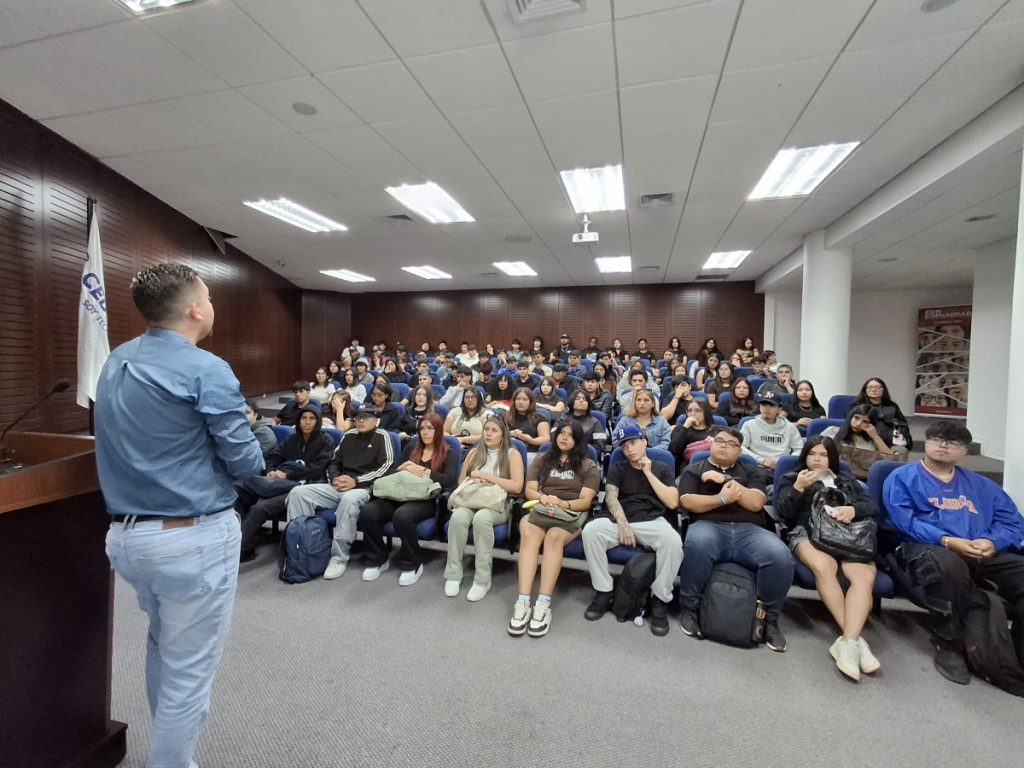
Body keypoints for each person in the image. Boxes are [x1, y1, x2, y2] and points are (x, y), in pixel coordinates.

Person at [97, 263, 264, 768]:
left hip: (127, 539)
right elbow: (248, 463)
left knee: (163, 644)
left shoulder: (114, 361)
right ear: (194, 309)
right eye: (208, 297)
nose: (210, 306)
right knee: (190, 668)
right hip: (190, 538)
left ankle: (173, 753)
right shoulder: (206, 368)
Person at [884, 421, 1024, 685]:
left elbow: (1012, 522)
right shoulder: (903, 478)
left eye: (953, 443)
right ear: (926, 443)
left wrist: (992, 542)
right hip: (928, 547)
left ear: (965, 451)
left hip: (982, 549)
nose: (944, 445)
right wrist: (947, 540)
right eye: (937, 439)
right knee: (948, 567)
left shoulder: (982, 485)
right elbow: (905, 521)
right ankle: (947, 644)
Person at [677, 426, 793, 651]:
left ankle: (769, 620)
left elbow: (756, 503)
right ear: (711, 443)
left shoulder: (751, 472)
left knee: (780, 555)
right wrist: (722, 498)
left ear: (739, 451)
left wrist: (725, 479)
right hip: (709, 526)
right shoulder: (695, 469)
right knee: (697, 544)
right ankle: (689, 607)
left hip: (749, 531)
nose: (723, 446)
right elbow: (688, 502)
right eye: (719, 441)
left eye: (731, 444)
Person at [775, 435, 881, 681]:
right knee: (824, 566)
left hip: (847, 536)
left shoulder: (845, 480)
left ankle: (848, 642)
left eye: (823, 455)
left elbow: (872, 508)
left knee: (864, 575)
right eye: (813, 454)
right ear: (805, 456)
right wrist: (798, 489)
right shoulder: (792, 477)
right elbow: (783, 513)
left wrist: (853, 509)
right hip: (808, 534)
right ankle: (854, 640)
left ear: (831, 458)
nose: (817, 459)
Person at [582, 424, 683, 636]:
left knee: (673, 542)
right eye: (625, 447)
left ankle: (660, 599)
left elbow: (672, 502)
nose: (629, 450)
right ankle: (603, 590)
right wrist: (623, 524)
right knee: (591, 531)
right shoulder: (618, 467)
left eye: (633, 443)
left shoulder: (662, 467)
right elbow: (610, 497)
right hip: (621, 519)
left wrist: (648, 473)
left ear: (645, 442)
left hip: (652, 520)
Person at [508, 422, 600, 637]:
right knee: (529, 534)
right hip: (542, 508)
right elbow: (529, 490)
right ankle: (523, 602)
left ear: (578, 440)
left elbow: (586, 501)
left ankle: (543, 603)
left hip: (569, 513)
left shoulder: (588, 466)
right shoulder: (542, 459)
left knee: (554, 537)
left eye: (570, 435)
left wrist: (562, 503)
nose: (564, 438)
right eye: (561, 433)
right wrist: (544, 498)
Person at [285, 404, 395, 580]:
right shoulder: (349, 435)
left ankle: (339, 557)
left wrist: (356, 481)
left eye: (365, 417)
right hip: (339, 485)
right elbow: (334, 462)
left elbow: (386, 467)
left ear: (376, 420)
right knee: (299, 493)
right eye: (358, 417)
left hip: (364, 488)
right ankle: (298, 548)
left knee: (349, 500)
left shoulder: (383, 436)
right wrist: (335, 478)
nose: (360, 421)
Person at [358, 414, 459, 586]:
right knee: (368, 512)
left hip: (426, 499)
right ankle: (378, 558)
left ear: (439, 430)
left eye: (430, 428)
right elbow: (394, 471)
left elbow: (450, 481)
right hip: (399, 493)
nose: (425, 432)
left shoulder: (449, 452)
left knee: (402, 516)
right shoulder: (411, 448)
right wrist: (403, 471)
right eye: (422, 428)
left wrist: (421, 470)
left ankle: (412, 563)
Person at [236, 405, 334, 562]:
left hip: (303, 487)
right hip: (278, 481)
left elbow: (318, 470)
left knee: (259, 508)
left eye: (311, 418)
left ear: (318, 421)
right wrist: (270, 471)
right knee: (237, 493)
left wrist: (287, 474)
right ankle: (236, 542)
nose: (307, 422)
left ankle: (239, 551)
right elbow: (274, 457)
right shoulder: (292, 438)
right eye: (304, 418)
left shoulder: (325, 441)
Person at [444, 416, 525, 601]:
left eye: (494, 430)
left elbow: (517, 486)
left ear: (503, 435)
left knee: (482, 518)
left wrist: (488, 478)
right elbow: (460, 482)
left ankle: (482, 579)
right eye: (486, 429)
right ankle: (453, 574)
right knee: (457, 518)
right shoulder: (474, 453)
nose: (488, 433)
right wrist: (475, 479)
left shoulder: (513, 454)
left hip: (498, 504)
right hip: (472, 499)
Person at [822, 404, 907, 480]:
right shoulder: (832, 431)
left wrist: (875, 437)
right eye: (856, 418)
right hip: (832, 475)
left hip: (861, 479)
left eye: (865, 422)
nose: (858, 424)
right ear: (851, 417)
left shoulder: (872, 441)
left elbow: (890, 463)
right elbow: (814, 449)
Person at [739, 391, 803, 479]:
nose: (767, 408)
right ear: (759, 407)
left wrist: (785, 462)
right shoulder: (749, 425)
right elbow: (740, 448)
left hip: (783, 467)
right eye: (764, 405)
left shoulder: (789, 427)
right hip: (759, 466)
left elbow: (799, 449)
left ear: (779, 410)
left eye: (771, 405)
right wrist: (762, 460)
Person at [852, 377, 912, 449]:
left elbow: (902, 424)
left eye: (877, 387)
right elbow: (852, 425)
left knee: (901, 450)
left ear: (883, 390)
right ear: (865, 390)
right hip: (867, 439)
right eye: (870, 387)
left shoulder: (892, 406)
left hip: (891, 439)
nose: (874, 390)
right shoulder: (857, 406)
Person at [669, 398, 715, 473]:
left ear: (706, 412)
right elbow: (673, 450)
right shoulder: (681, 429)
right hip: (686, 468)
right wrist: (685, 427)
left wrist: (716, 442)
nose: (692, 414)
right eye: (689, 410)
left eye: (698, 410)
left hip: (711, 468)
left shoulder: (716, 431)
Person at [505, 387, 551, 458]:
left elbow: (545, 438)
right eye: (518, 399)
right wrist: (510, 433)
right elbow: (497, 433)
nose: (521, 402)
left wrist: (531, 440)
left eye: (525, 399)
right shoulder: (506, 417)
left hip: (529, 452)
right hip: (507, 450)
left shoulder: (540, 418)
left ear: (531, 402)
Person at [443, 386, 487, 451]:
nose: (470, 400)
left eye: (473, 397)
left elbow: (486, 436)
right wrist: (454, 442)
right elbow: (444, 431)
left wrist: (462, 439)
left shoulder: (486, 413)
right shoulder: (455, 411)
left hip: (477, 448)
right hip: (453, 447)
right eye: (467, 397)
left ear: (479, 399)